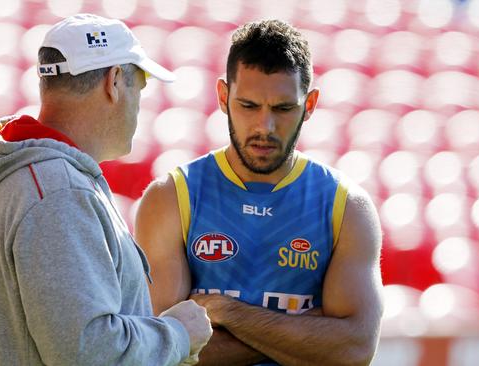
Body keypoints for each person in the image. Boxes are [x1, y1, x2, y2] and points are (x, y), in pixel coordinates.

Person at [0, 14, 211, 366]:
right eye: (140, 85)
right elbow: (90, 352)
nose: (139, 103)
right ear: (115, 81)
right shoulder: (58, 191)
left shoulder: (27, 174)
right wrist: (178, 334)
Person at [136, 19, 383, 366]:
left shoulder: (346, 206)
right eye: (248, 106)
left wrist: (227, 313)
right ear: (223, 97)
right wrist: (304, 334)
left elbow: (354, 350)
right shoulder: (172, 198)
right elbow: (162, 351)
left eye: (283, 108)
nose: (264, 127)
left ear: (309, 105)